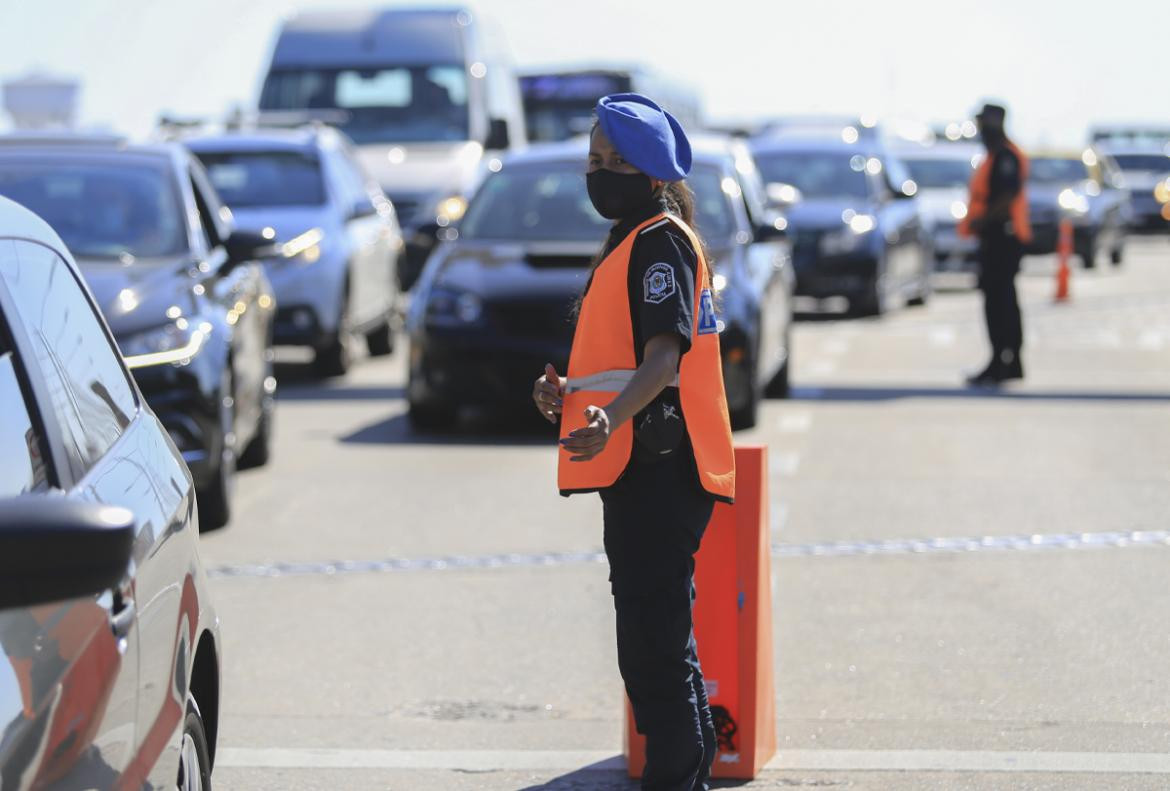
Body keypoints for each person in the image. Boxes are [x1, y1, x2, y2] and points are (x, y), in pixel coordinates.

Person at [531, 93, 735, 791]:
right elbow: (620, 359)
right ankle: (686, 771)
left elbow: (662, 360)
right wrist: (564, 395)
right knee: (653, 641)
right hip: (639, 464)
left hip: (661, 466)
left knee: (653, 646)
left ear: (650, 173)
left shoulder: (659, 242)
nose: (600, 171)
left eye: (616, 160)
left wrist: (609, 417)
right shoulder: (631, 239)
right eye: (594, 158)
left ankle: (677, 777)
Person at [958, 102, 1032, 386]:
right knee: (1002, 301)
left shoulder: (1004, 156)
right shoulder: (995, 154)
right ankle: (1007, 360)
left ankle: (1003, 360)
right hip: (997, 236)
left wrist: (983, 220)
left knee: (1000, 303)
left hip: (1002, 237)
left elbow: (1007, 196)